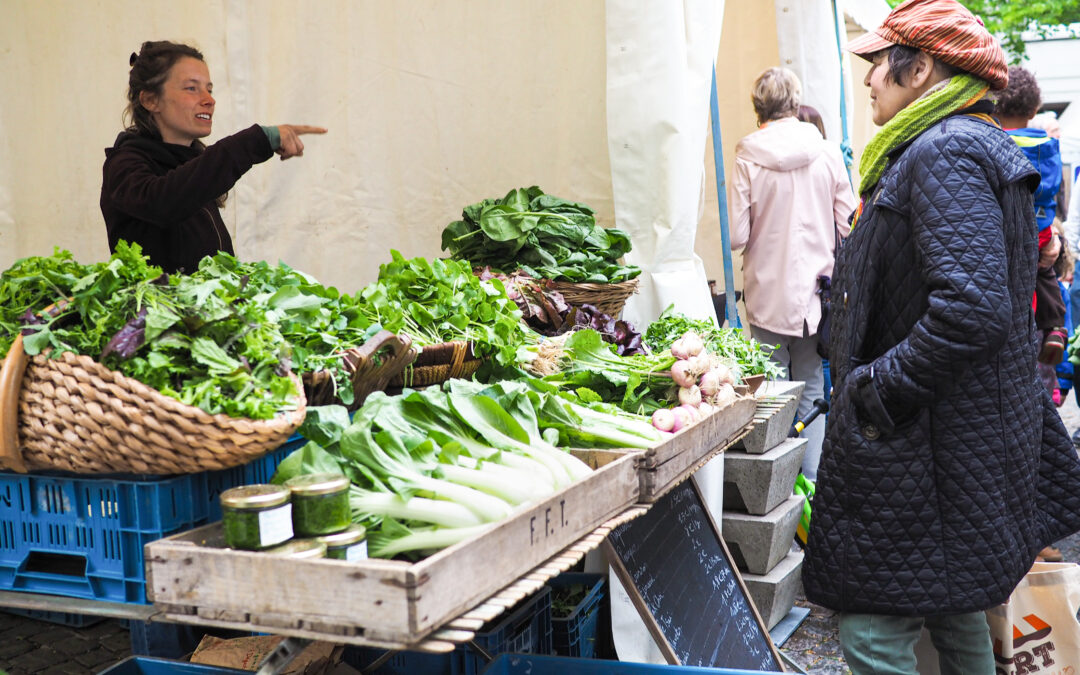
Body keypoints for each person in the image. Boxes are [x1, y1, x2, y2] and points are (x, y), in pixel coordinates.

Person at [800, 0, 1080, 672]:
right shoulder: (960, 144)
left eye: (877, 64)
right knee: (956, 613)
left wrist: (874, 390)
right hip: (953, 443)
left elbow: (972, 308)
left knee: (872, 631)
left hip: (926, 445)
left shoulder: (944, 150)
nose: (867, 78)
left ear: (920, 68)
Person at [101, 41, 327, 274]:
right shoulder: (124, 163)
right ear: (151, 100)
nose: (209, 99)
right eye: (192, 88)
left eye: (209, 89)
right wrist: (257, 140)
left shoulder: (194, 167)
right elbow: (162, 202)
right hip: (152, 310)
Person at [730, 68, 856, 483]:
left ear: (757, 108)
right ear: (794, 102)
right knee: (812, 387)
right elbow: (848, 225)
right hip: (818, 294)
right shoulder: (826, 151)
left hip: (766, 291)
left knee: (773, 390)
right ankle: (813, 483)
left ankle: (780, 487)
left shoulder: (747, 155)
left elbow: (736, 235)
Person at [996, 65, 1068, 366]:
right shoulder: (1046, 145)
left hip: (1006, 230)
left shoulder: (994, 142)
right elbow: (1054, 191)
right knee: (1045, 272)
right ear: (1035, 106)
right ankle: (1054, 326)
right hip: (1041, 226)